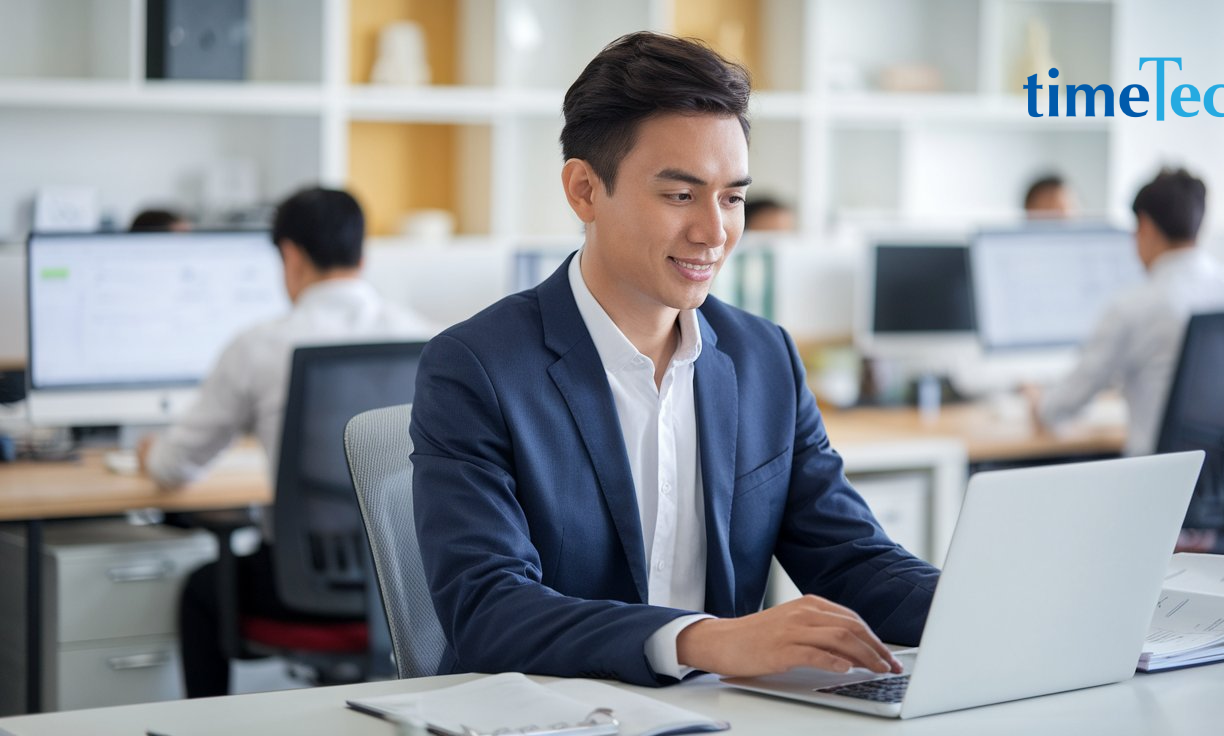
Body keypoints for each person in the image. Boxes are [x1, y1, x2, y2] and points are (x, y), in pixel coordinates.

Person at [410, 32, 939, 689]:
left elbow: (853, 562)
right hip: (549, 716)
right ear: (583, 191)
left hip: (724, 715)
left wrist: (990, 607)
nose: (715, 232)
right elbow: (487, 609)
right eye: (680, 195)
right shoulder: (476, 367)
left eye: (733, 197)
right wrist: (703, 640)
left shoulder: (763, 358)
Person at [138, 187, 432, 697]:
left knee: (201, 590)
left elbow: (176, 465)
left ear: (289, 255)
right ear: (362, 254)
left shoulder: (260, 345)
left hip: (301, 591)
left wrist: (147, 453)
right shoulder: (430, 339)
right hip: (412, 589)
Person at [1027, 167, 1224, 458]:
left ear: (1146, 227)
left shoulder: (1133, 308)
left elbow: (1063, 406)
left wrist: (1039, 402)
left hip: (1162, 493)